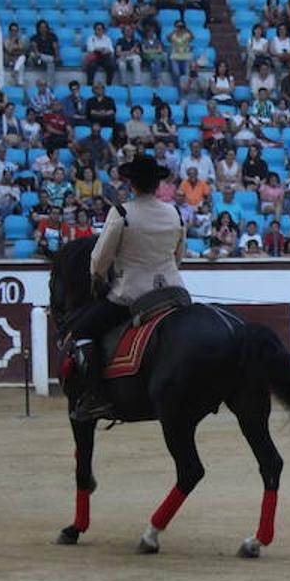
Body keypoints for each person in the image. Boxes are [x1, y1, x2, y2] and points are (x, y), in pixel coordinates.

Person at [63, 154, 187, 421]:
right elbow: (178, 256)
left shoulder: (121, 213)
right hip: (174, 292)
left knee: (83, 331)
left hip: (132, 295)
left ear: (132, 184)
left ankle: (94, 396)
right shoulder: (175, 213)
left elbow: (98, 260)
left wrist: (98, 280)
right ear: (157, 185)